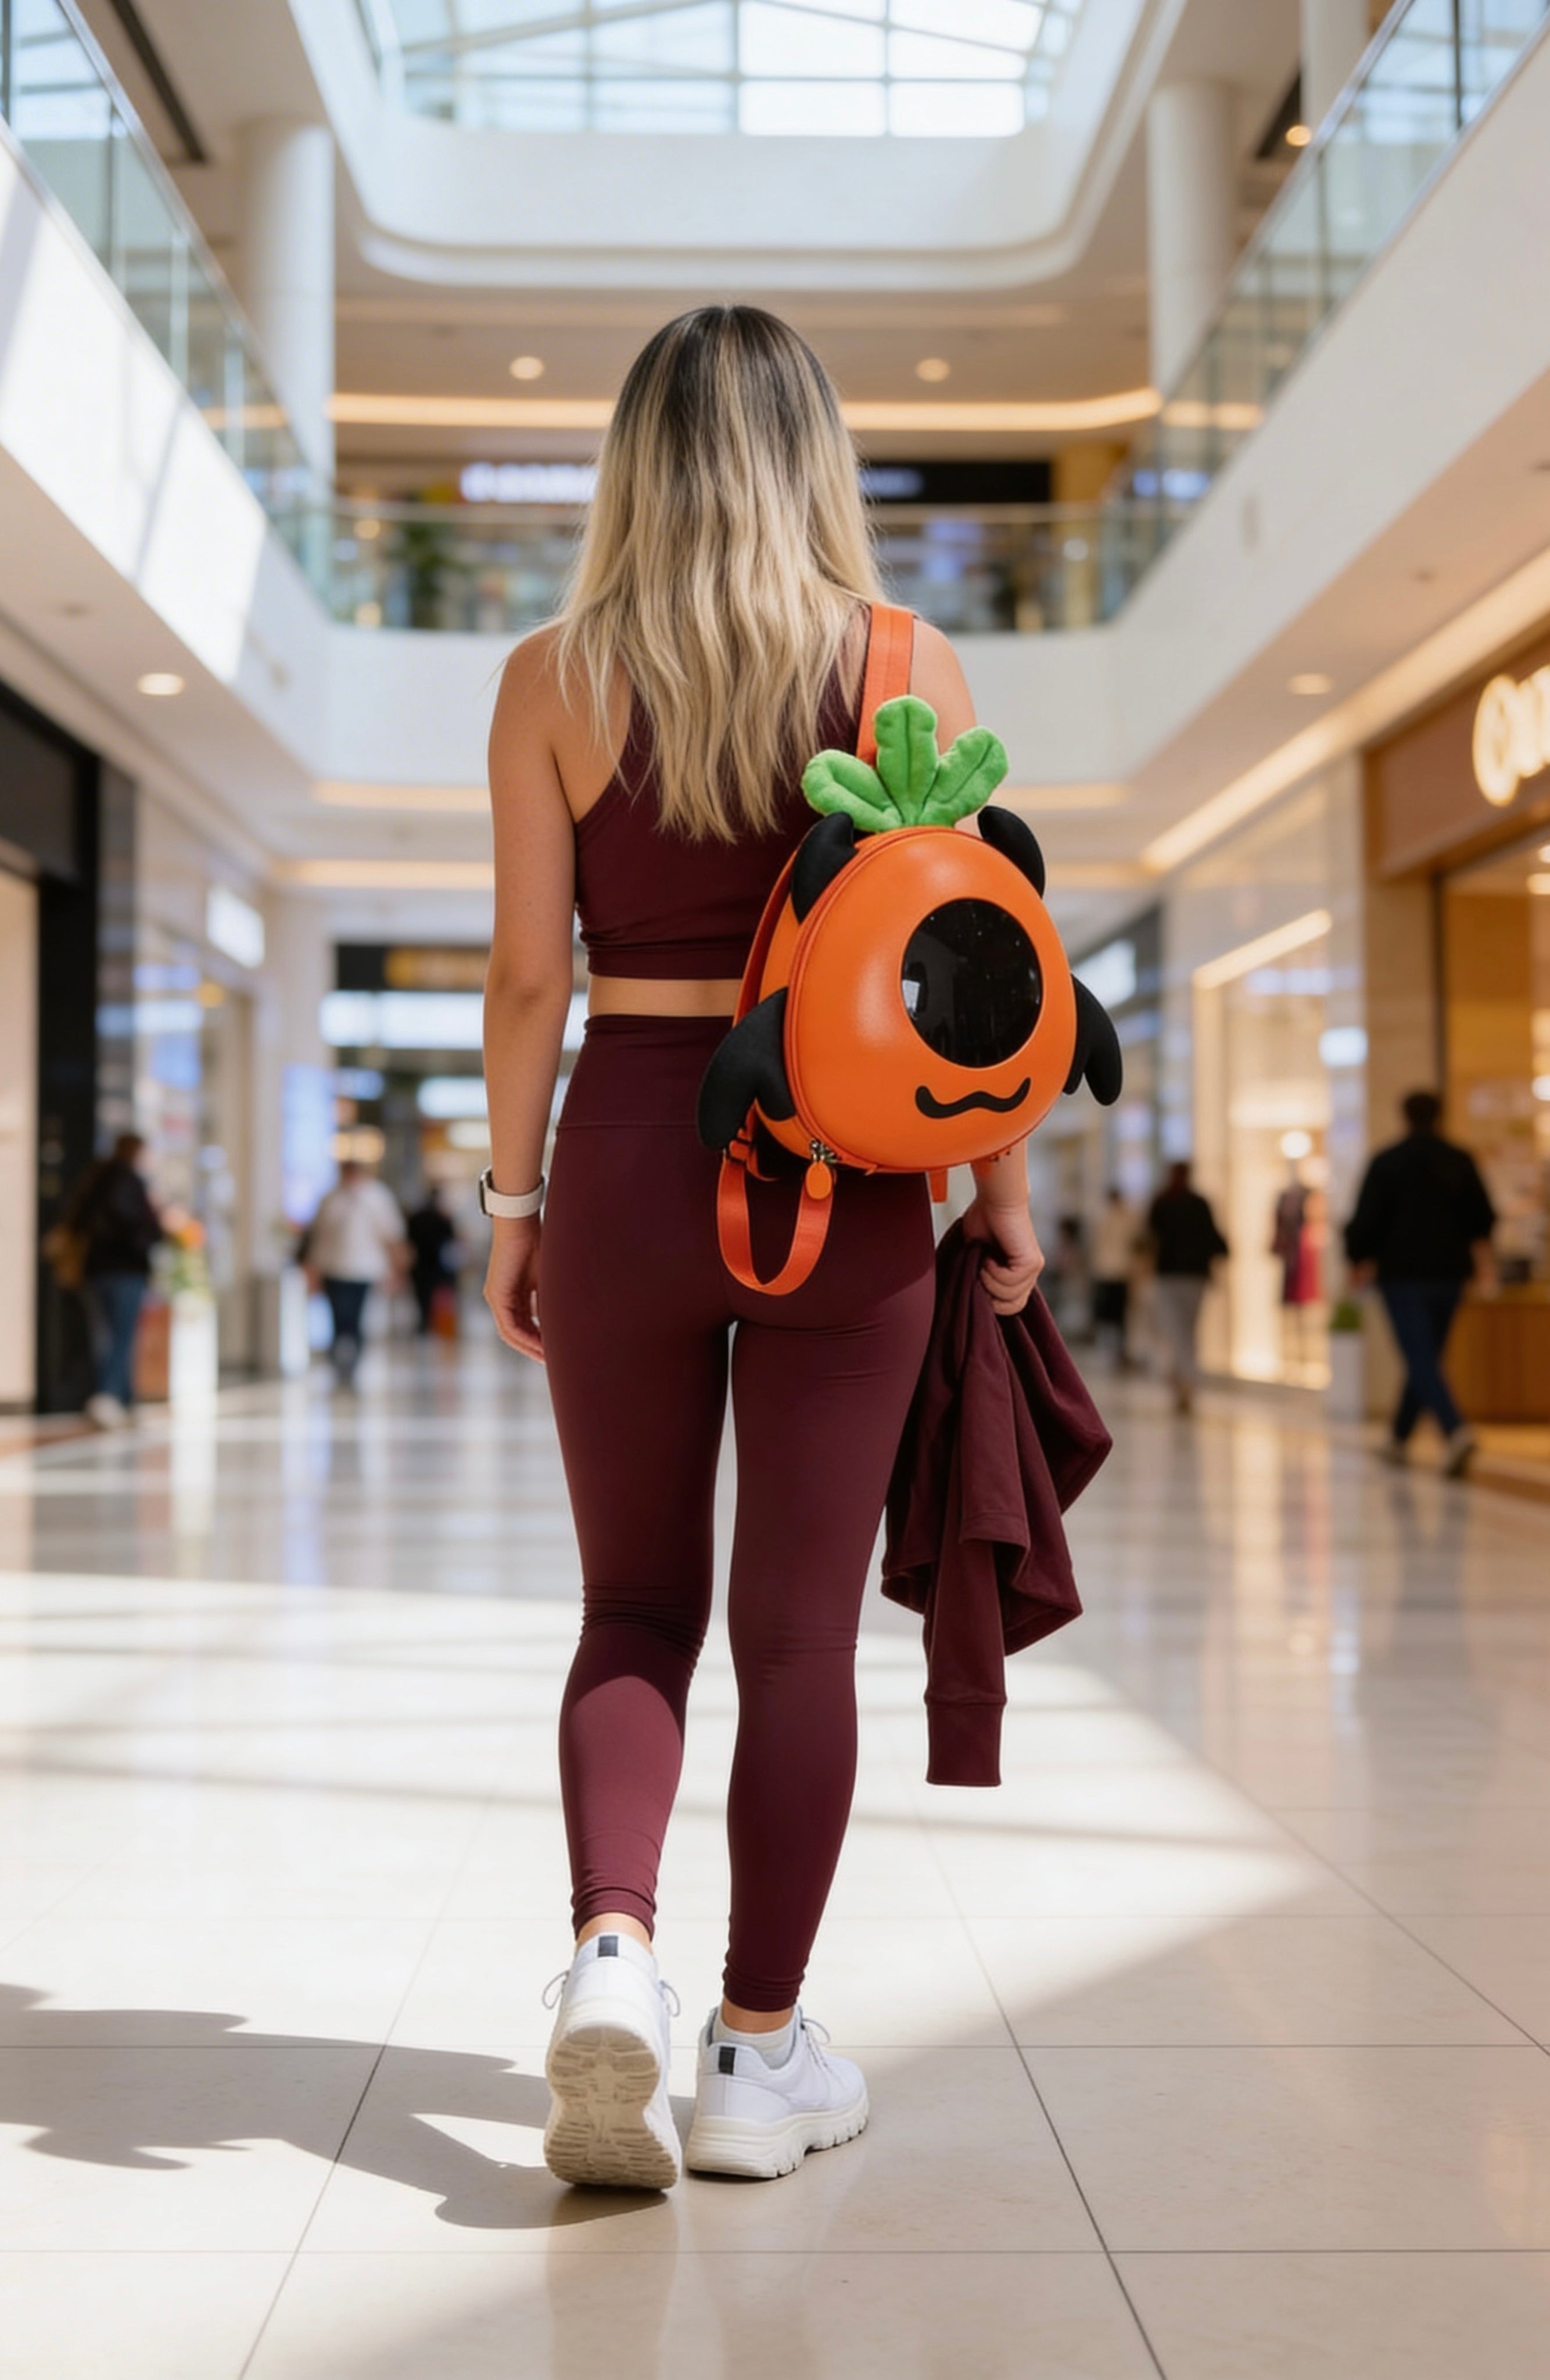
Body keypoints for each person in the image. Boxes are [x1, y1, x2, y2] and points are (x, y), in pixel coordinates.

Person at [480, 307, 1045, 2192]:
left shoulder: (552, 676)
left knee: (633, 1606)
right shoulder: (901, 661)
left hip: (634, 1142)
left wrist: (513, 1203)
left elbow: (523, 979)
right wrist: (1000, 1206)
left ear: (629, 459)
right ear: (814, 454)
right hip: (848, 1166)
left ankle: (612, 1953)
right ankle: (752, 2052)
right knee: (796, 1634)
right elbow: (961, 971)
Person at [1344, 1089, 1496, 1475]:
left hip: (1403, 1275)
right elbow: (1482, 1218)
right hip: (1449, 1274)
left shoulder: (1388, 1162)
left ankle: (1454, 1429)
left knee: (1420, 1356)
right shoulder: (1458, 1160)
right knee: (1425, 1356)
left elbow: (1366, 1220)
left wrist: (1358, 1258)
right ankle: (1399, 1437)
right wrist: (1480, 1261)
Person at [66, 1133, 162, 1429]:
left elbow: (78, 1221)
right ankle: (109, 1397)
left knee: (106, 1334)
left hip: (96, 1270)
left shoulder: (95, 1178)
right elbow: (134, 1224)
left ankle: (124, 1399)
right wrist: (153, 1231)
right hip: (124, 1268)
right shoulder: (129, 1181)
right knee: (123, 1335)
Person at [303, 1162, 408, 1388]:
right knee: (338, 1318)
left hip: (365, 1270)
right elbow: (318, 1237)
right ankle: (336, 1363)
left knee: (356, 1320)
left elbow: (392, 1237)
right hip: (334, 1268)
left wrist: (397, 1271)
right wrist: (313, 1269)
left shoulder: (378, 1198)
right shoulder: (331, 1199)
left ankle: (353, 1365)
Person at [1147, 1160, 1228, 1413]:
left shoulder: (1163, 1202)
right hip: (1194, 1276)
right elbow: (1216, 1240)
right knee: (1186, 1332)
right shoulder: (1197, 1204)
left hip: (1170, 1276)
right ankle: (1186, 1380)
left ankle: (1184, 1380)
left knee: (1176, 1332)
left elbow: (1149, 1238)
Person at [1089, 1184, 1139, 1367]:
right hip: (1109, 1272)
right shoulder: (1104, 1217)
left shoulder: (1127, 1218)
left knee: (1118, 1316)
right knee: (1110, 1315)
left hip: (1120, 1273)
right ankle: (1110, 1350)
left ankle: (1119, 1350)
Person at [406, 1185, 459, 1334]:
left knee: (422, 1298)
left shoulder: (416, 1217)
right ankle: (438, 1326)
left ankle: (425, 1325)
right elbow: (453, 1240)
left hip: (421, 1265)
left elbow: (409, 1240)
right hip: (439, 1266)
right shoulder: (443, 1217)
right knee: (441, 1298)